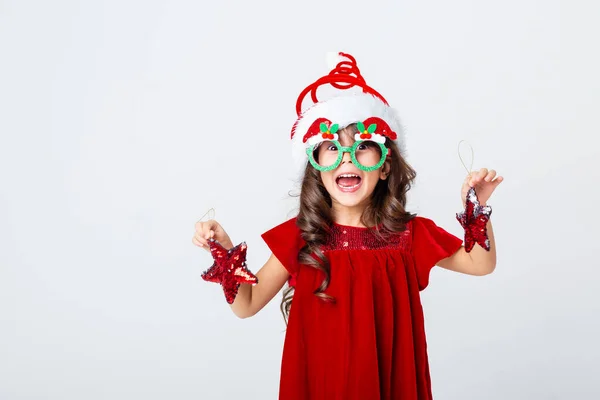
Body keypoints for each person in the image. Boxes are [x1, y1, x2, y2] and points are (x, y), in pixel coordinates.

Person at [192, 53, 503, 400]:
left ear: (385, 166)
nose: (347, 156)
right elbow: (246, 304)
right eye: (331, 147)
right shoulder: (302, 237)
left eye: (364, 145)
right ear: (317, 167)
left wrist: (476, 207)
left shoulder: (408, 235)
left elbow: (481, 263)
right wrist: (225, 254)